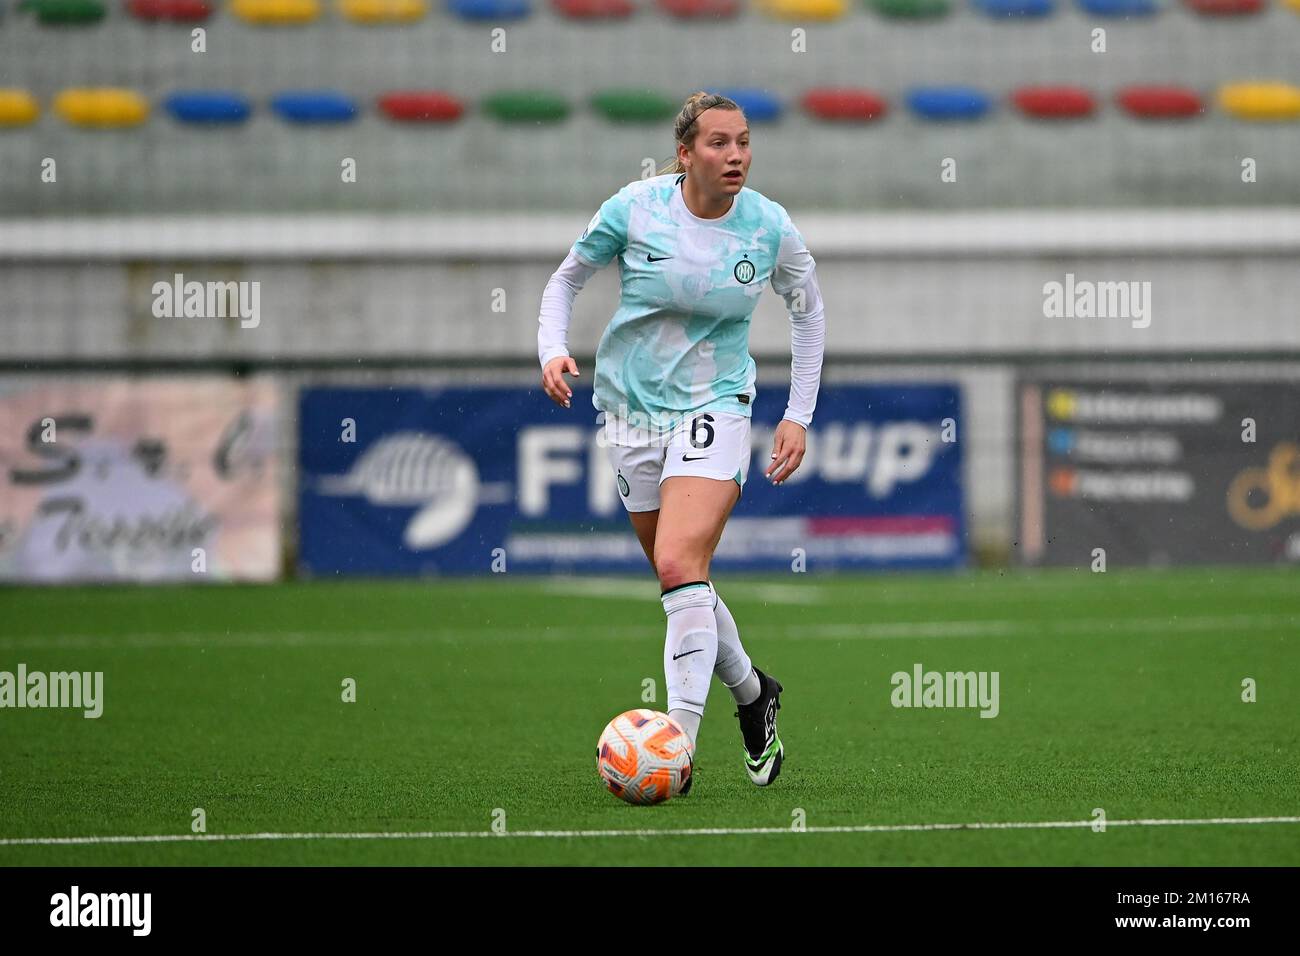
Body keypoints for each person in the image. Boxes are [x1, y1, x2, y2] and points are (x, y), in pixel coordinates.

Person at [537, 91, 826, 790]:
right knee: (683, 577)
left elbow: (808, 312)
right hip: (629, 411)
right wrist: (551, 347)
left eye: (744, 142)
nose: (736, 156)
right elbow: (567, 277)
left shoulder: (768, 227)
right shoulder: (634, 209)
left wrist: (798, 413)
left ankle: (676, 748)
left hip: (716, 404)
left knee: (675, 560)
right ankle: (754, 693)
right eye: (720, 144)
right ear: (686, 154)